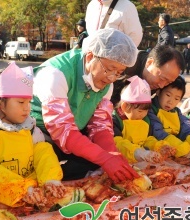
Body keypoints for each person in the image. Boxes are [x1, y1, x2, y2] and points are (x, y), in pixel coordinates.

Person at [30, 28, 139, 182]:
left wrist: (112, 154)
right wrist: (104, 159)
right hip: (39, 133)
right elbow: (63, 130)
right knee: (46, 166)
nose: (112, 78)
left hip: (73, 133)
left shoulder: (108, 84)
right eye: (110, 69)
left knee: (92, 163)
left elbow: (100, 126)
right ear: (89, 57)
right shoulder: (55, 75)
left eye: (119, 72)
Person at [0, 62, 66, 207]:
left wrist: (51, 180)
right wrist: (22, 190)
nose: (27, 108)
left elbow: (44, 156)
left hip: (34, 194)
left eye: (29, 102)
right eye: (20, 102)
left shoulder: (31, 129)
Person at [112, 76, 176, 163]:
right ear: (125, 106)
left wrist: (160, 146)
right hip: (120, 163)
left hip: (141, 163)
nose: (143, 114)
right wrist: (139, 153)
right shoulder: (115, 120)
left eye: (146, 111)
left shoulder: (145, 120)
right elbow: (118, 143)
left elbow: (147, 139)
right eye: (140, 111)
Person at [147, 76, 190, 158]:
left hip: (175, 148)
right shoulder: (150, 109)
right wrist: (183, 148)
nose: (170, 101)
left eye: (176, 99)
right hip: (156, 151)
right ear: (158, 92)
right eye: (168, 95)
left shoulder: (176, 112)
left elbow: (187, 129)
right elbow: (158, 133)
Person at [111, 44, 185, 106]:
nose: (162, 86)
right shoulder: (124, 64)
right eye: (162, 78)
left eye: (169, 82)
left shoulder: (157, 82)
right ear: (149, 62)